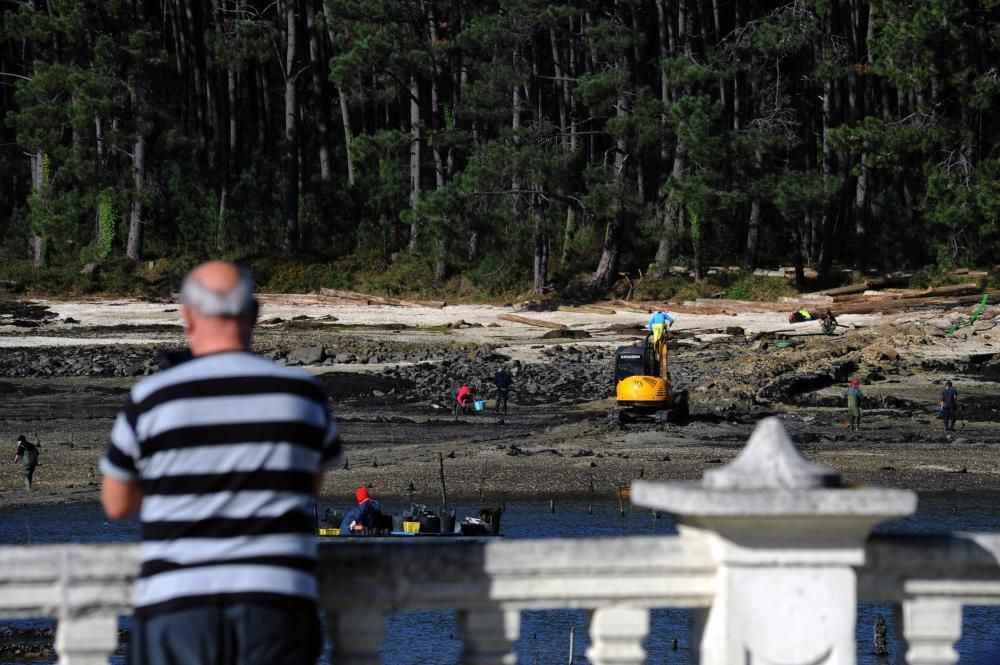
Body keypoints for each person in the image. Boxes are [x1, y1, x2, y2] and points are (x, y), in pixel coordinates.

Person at [100, 261, 342, 665]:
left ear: (187, 316)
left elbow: (116, 503)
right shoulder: (302, 393)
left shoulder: (151, 397)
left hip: (177, 605)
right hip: (277, 604)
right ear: (255, 314)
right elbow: (310, 486)